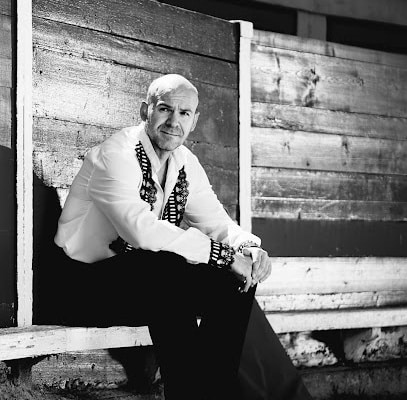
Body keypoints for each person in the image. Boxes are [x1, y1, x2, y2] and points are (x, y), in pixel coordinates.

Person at [49, 74, 312, 400]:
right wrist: (224, 256)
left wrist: (248, 249)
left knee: (231, 280)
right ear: (145, 110)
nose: (174, 121)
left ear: (195, 120)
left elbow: (218, 224)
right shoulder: (116, 154)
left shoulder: (185, 163)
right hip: (81, 288)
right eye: (164, 109)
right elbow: (141, 231)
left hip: (144, 286)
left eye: (184, 113)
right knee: (165, 269)